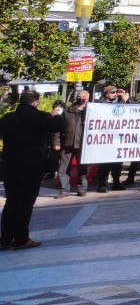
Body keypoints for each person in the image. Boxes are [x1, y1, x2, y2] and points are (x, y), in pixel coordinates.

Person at [0, 91, 65, 250]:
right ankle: (21, 239)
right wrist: (57, 114)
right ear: (35, 102)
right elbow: (57, 126)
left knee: (12, 202)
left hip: (10, 166)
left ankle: (6, 239)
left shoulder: (8, 118)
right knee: (25, 203)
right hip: (31, 166)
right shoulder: (40, 116)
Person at [55, 89, 90, 198]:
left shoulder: (90, 111)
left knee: (82, 167)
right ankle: (64, 189)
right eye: (79, 96)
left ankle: (82, 188)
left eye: (83, 97)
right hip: (68, 143)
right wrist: (56, 141)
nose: (81, 99)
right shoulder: (67, 111)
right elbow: (58, 128)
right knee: (63, 168)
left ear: (87, 98)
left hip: (83, 144)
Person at [95, 85, 127, 193]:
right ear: (106, 94)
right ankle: (102, 184)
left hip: (118, 138)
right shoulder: (100, 105)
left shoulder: (121, 103)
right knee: (105, 163)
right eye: (112, 92)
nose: (115, 94)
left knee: (117, 163)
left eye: (116, 92)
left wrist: (124, 98)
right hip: (105, 138)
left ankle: (116, 182)